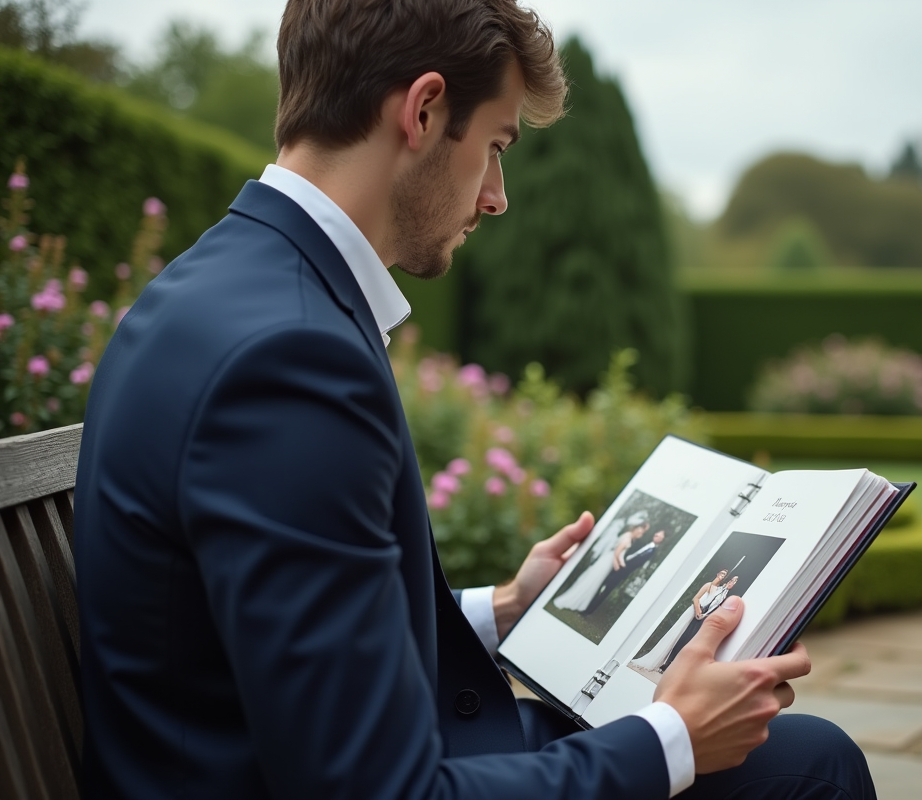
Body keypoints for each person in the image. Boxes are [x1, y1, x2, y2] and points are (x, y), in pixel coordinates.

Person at [73, 1, 876, 798]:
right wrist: (673, 738)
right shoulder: (292, 358)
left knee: (804, 754)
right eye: (495, 146)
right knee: (812, 767)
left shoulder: (222, 286)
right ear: (423, 110)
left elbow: (286, 627)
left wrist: (505, 608)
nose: (496, 197)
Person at [632, 569, 728, 674]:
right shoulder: (708, 585)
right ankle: (660, 659)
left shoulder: (718, 590)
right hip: (692, 611)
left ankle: (670, 663)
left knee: (684, 638)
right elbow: (696, 598)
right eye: (722, 573)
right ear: (718, 574)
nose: (723, 576)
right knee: (676, 633)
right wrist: (698, 610)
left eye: (725, 575)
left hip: (699, 616)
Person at [552, 510, 650, 612]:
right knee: (593, 579)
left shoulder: (627, 535)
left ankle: (580, 603)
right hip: (608, 561)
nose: (641, 533)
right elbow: (617, 552)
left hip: (608, 560)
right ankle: (573, 600)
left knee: (594, 580)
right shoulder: (627, 537)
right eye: (641, 531)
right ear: (636, 528)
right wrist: (620, 565)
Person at [582, 528, 666, 616]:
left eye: (660, 536)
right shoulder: (643, 542)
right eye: (657, 534)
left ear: (662, 540)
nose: (657, 536)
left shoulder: (652, 551)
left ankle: (589, 611)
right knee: (600, 585)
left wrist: (624, 567)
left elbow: (637, 563)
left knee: (606, 590)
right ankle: (586, 606)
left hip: (623, 570)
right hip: (617, 564)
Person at [664, 576, 739, 671]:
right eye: (732, 580)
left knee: (692, 642)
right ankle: (669, 662)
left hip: (707, 619)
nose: (732, 582)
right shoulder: (716, 588)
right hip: (699, 614)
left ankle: (679, 667)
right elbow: (701, 598)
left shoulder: (728, 598)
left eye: (735, 581)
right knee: (685, 637)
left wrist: (708, 616)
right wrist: (699, 611)